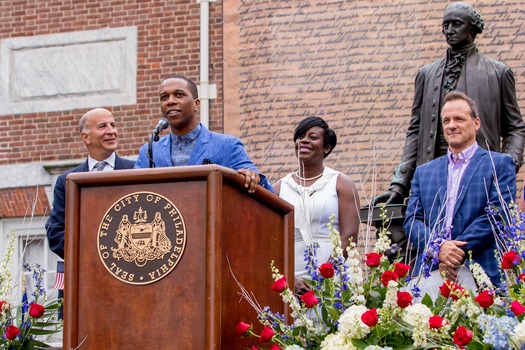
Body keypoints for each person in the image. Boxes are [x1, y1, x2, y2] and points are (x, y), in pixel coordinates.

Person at [374, 2, 525, 206]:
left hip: (480, 177)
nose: (449, 31)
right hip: (433, 177)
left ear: (471, 28)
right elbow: (415, 131)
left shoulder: (498, 73)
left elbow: (515, 129)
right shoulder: (426, 74)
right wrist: (399, 183)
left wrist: (505, 166)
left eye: (456, 24)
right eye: (446, 25)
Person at [404, 91, 516, 284]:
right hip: (431, 272)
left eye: (459, 119)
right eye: (446, 120)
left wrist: (457, 251)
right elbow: (412, 221)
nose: (452, 125)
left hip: (481, 271)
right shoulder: (424, 172)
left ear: (476, 123)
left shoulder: (498, 164)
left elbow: (498, 214)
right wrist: (438, 248)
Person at [45, 108, 135, 318]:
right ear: (85, 137)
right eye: (103, 126)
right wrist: (95, 254)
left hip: (129, 281)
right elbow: (56, 233)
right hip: (85, 284)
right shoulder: (67, 181)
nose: (111, 130)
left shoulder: (137, 170)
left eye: (113, 125)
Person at [134, 74, 272, 193]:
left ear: (196, 104)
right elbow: (130, 193)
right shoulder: (149, 151)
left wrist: (253, 177)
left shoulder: (228, 146)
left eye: (179, 95)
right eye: (164, 97)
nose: (170, 101)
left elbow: (263, 189)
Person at [273, 116, 361, 295]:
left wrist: (326, 274)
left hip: (333, 273)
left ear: (327, 148)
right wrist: (289, 278)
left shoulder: (341, 183)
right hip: (293, 275)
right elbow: (271, 241)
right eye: (300, 137)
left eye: (313, 137)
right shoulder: (279, 188)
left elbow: (349, 235)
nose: (304, 140)